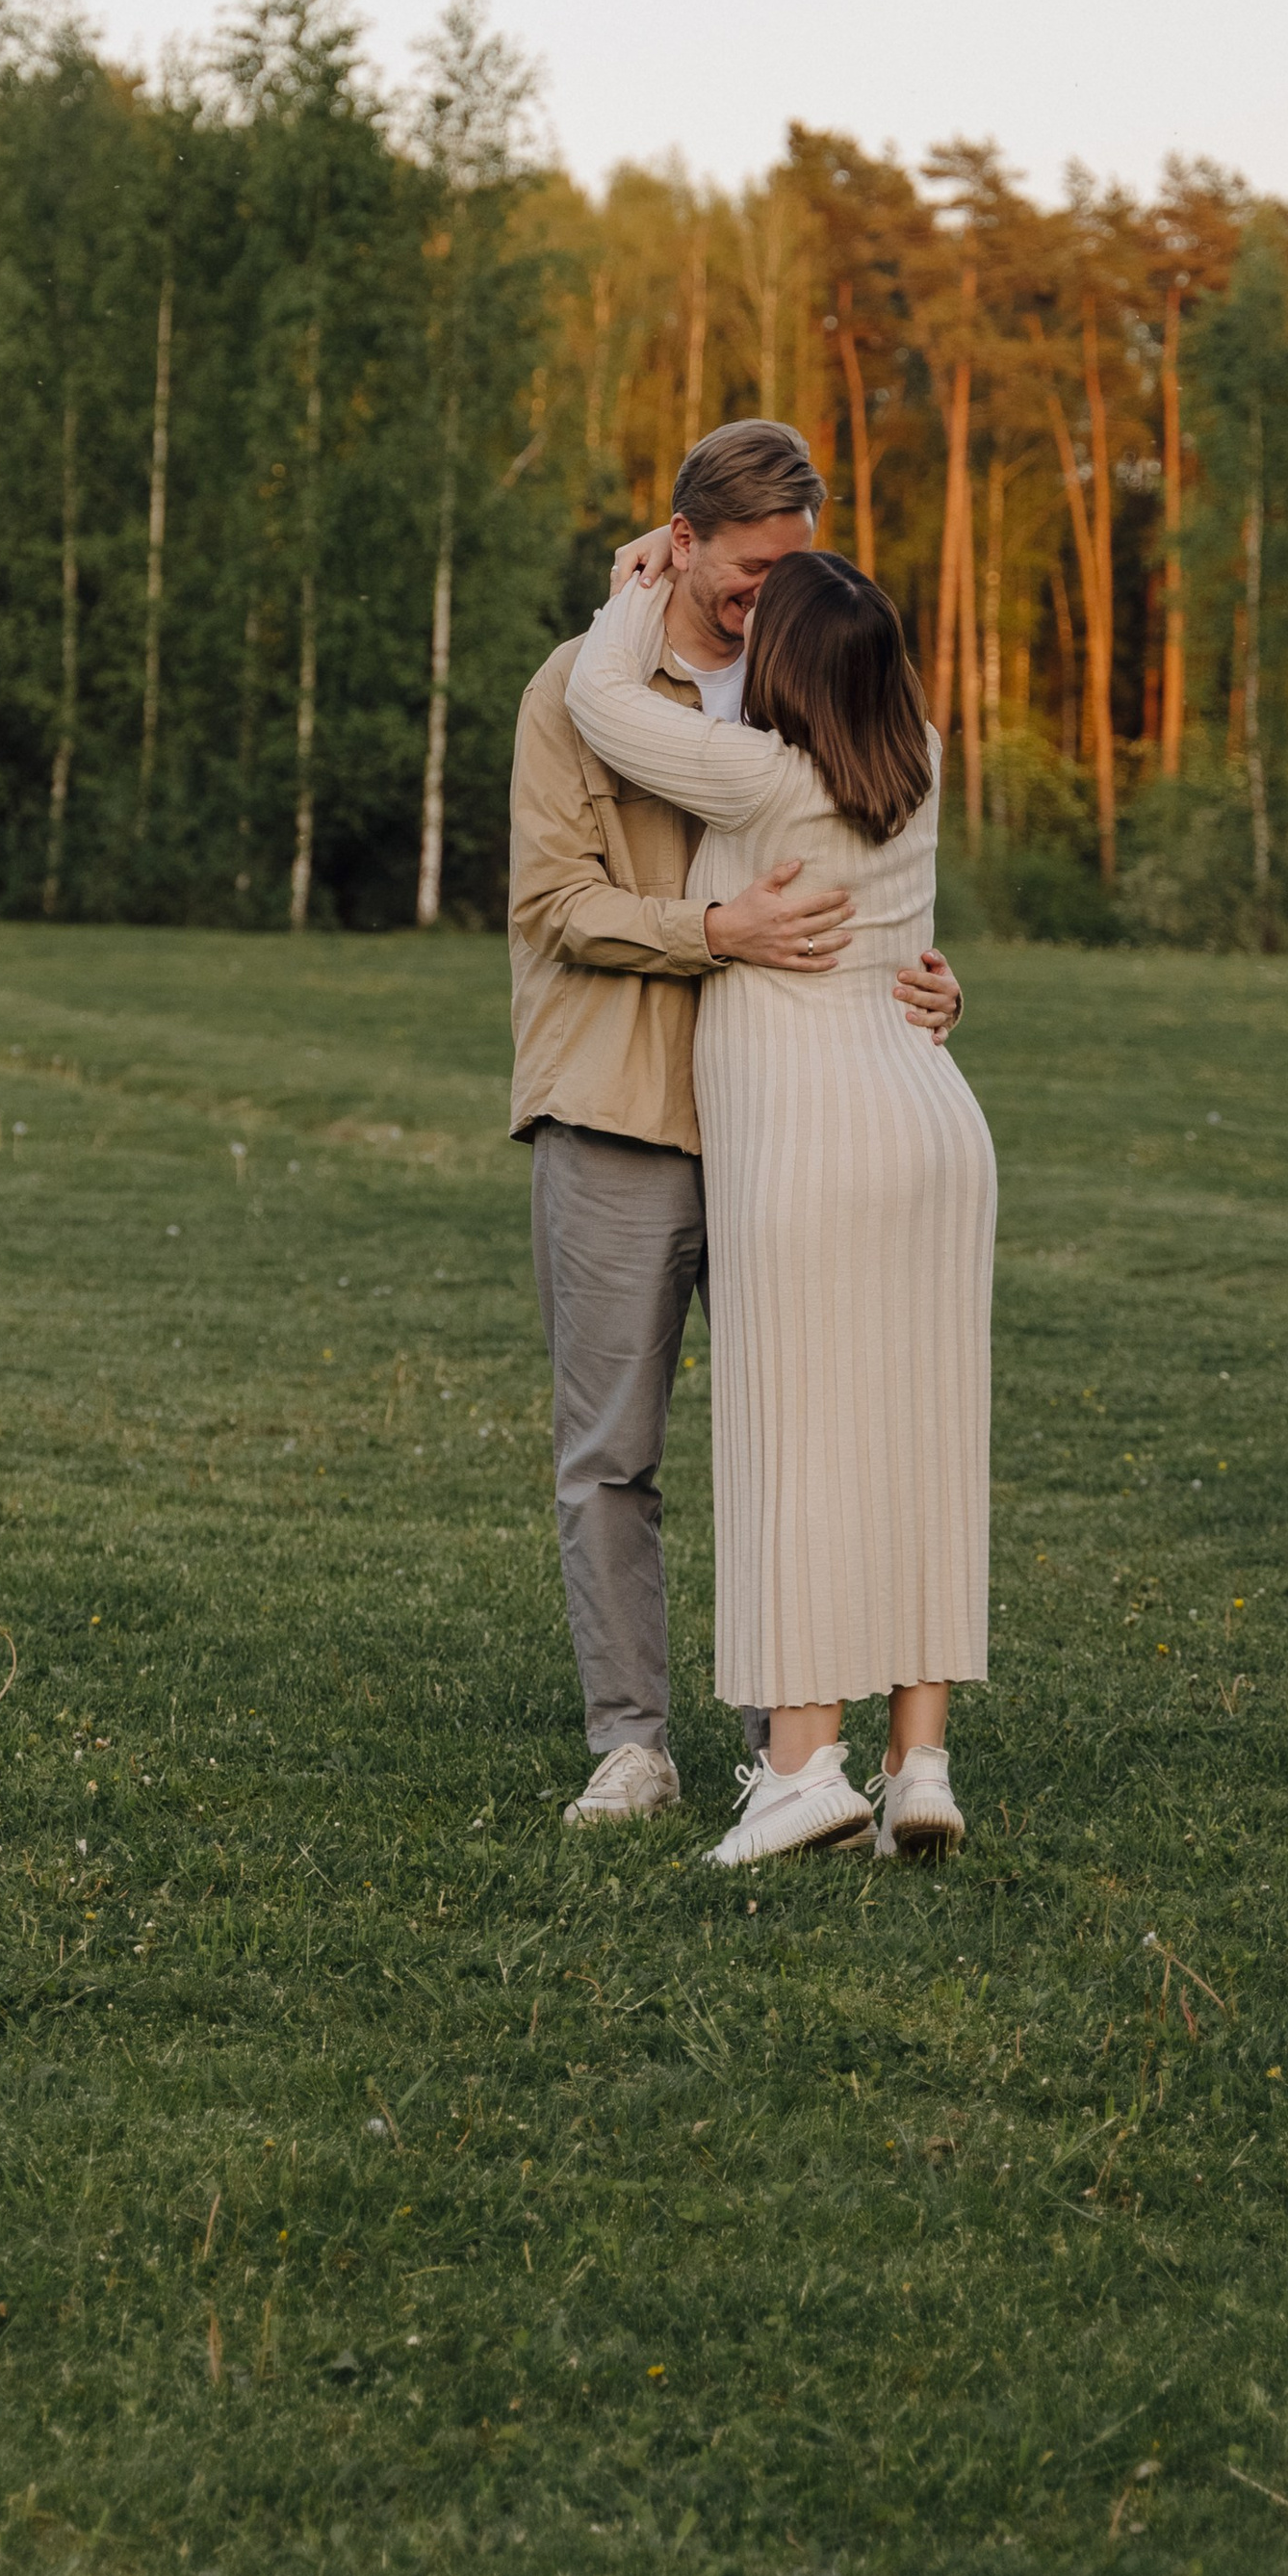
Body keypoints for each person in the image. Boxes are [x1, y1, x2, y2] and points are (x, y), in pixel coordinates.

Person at [507, 420, 961, 1831]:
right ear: (682, 541)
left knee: (808, 1427)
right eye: (746, 570)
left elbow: (861, 853)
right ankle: (634, 1745)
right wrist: (718, 929)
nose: (764, 596)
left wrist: (922, 984)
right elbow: (553, 908)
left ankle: (795, 1744)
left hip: (794, 1121)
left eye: (791, 570)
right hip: (625, 1103)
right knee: (613, 1451)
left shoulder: (799, 685)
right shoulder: (576, 691)